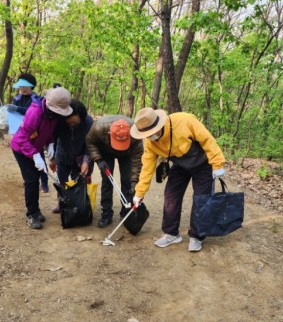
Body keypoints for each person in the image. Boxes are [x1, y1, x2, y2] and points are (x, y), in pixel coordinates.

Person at [129, 107, 226, 252]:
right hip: (180, 164)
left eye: (150, 133)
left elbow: (207, 140)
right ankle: (171, 233)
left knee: (201, 198)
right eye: (145, 134)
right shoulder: (149, 142)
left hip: (202, 164)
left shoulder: (184, 121)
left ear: (159, 126)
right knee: (171, 196)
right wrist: (139, 192)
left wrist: (217, 164)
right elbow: (147, 168)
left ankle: (196, 236)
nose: (149, 137)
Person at [10, 87, 73, 229]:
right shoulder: (35, 112)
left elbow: (48, 131)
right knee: (31, 180)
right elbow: (21, 138)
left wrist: (50, 144)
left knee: (37, 177)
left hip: (36, 148)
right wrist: (35, 155)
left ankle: (36, 211)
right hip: (21, 148)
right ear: (50, 105)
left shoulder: (53, 115)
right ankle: (31, 214)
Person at [86, 115, 143, 228]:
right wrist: (99, 159)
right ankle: (106, 213)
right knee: (107, 181)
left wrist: (134, 180)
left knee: (128, 181)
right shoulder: (98, 128)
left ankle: (126, 212)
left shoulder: (136, 134)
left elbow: (137, 159)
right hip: (106, 151)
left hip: (127, 153)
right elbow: (90, 142)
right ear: (109, 134)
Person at [48, 99, 94, 213]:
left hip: (80, 157)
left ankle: (79, 205)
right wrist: (52, 158)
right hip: (63, 155)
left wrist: (85, 162)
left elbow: (90, 144)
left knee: (78, 181)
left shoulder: (88, 123)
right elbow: (51, 140)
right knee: (62, 181)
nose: (72, 124)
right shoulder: (59, 121)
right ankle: (62, 203)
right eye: (70, 122)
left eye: (75, 123)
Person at [8, 73, 49, 193]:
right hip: (21, 132)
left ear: (32, 86)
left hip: (34, 133)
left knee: (39, 156)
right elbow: (14, 115)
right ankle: (29, 180)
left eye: (25, 86)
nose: (23, 88)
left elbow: (33, 111)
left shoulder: (37, 99)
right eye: (21, 86)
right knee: (26, 158)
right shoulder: (16, 99)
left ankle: (44, 181)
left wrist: (18, 109)